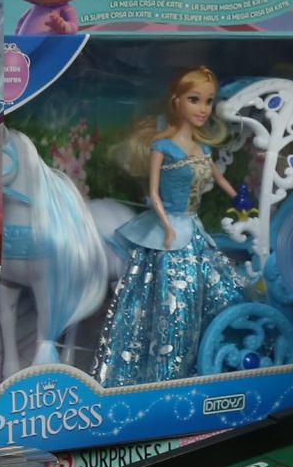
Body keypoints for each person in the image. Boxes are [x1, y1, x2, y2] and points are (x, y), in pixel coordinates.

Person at [95, 67, 249, 387]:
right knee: (171, 302)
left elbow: (220, 179)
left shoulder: (203, 150)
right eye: (195, 100)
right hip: (170, 234)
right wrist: (166, 226)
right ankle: (164, 375)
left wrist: (240, 198)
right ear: (176, 101)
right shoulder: (162, 147)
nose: (203, 108)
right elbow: (154, 194)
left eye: (208, 101)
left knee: (220, 291)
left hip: (193, 231)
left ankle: (212, 359)